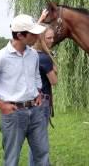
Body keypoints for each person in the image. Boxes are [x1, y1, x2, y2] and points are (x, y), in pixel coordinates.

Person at [0, 14, 50, 166]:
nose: (37, 36)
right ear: (20, 35)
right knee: (11, 159)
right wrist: (1, 105)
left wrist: (38, 92)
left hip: (36, 112)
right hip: (14, 115)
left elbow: (36, 75)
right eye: (33, 33)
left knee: (42, 155)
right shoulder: (0, 57)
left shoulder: (33, 54)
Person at [28, 9, 58, 166]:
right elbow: (54, 81)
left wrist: (40, 19)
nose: (52, 40)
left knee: (35, 140)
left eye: (53, 37)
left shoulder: (31, 54)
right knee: (39, 142)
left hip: (32, 102)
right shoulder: (45, 59)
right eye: (48, 38)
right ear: (41, 38)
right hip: (43, 103)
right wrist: (54, 67)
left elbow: (30, 35)